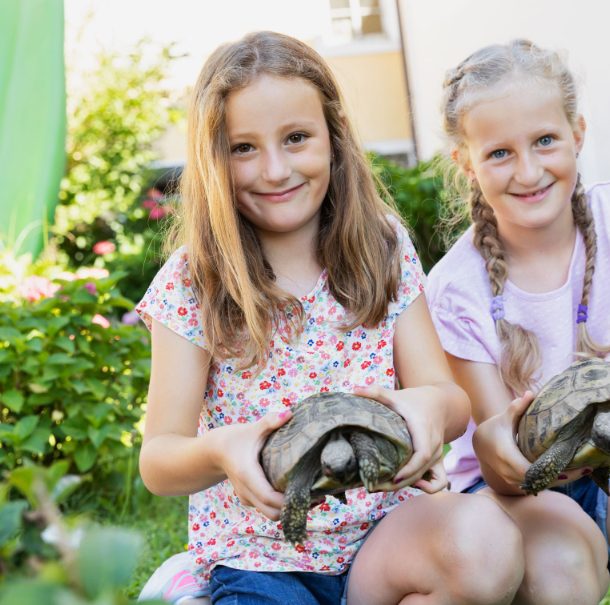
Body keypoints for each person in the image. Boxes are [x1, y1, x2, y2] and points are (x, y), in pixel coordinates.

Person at [135, 31, 526, 605]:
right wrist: (223, 450)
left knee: (487, 544)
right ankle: (191, 584)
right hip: (260, 559)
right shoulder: (194, 279)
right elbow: (159, 459)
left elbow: (448, 400)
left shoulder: (382, 244)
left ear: (333, 136)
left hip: (386, 536)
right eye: (244, 147)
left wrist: (427, 409)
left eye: (296, 138)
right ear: (211, 158)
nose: (274, 170)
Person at [426, 39, 610, 604]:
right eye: (499, 153)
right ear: (467, 164)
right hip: (515, 487)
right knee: (561, 571)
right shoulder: (456, 288)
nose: (529, 171)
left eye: (546, 141)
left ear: (577, 134)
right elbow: (500, 454)